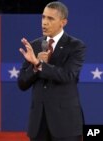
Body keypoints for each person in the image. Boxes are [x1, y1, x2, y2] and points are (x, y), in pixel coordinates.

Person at [18, 2, 85, 141]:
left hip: (66, 124)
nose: (45, 23)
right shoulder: (34, 45)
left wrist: (40, 64)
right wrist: (34, 67)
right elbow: (22, 83)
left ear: (63, 22)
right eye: (43, 17)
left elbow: (68, 75)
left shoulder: (76, 46)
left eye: (50, 19)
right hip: (38, 124)